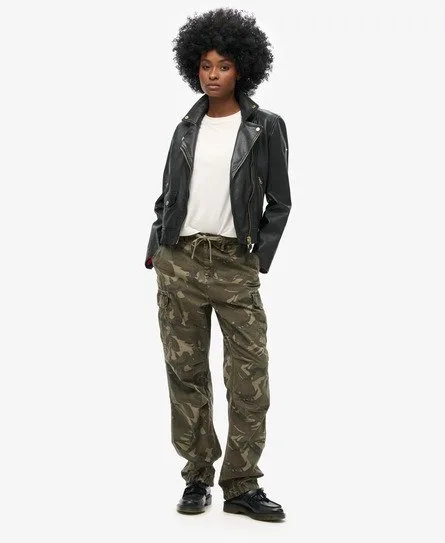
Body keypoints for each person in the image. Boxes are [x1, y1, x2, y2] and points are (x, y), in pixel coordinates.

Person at [144, 8, 291, 522]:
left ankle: (243, 484)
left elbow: (281, 202)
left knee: (250, 377)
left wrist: (256, 258)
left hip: (234, 265)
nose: (212, 75)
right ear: (194, 68)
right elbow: (167, 195)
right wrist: (156, 247)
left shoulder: (264, 127)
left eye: (223, 66)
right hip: (179, 263)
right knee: (186, 375)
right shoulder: (185, 127)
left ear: (242, 69)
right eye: (205, 65)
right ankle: (197, 476)